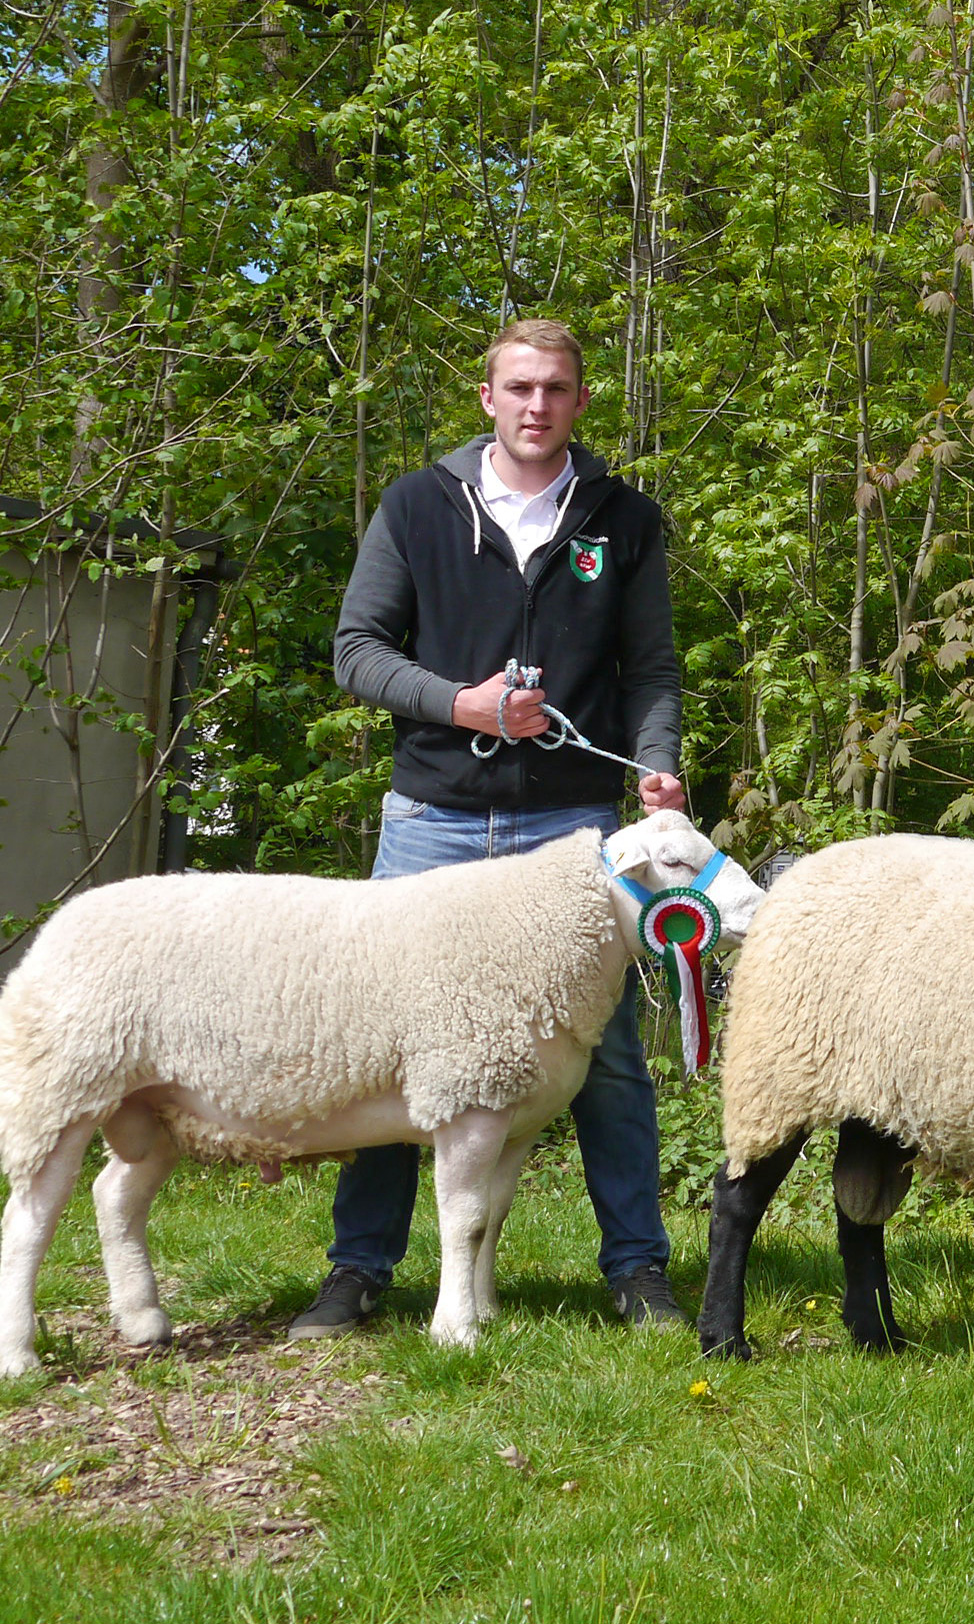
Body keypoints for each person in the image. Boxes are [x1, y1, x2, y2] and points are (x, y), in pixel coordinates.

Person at [301, 318, 690, 1339]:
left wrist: (657, 765)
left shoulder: (625, 519)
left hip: (566, 834)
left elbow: (649, 670)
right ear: (486, 398)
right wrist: (456, 705)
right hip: (429, 819)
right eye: (518, 387)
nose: (535, 406)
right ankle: (359, 1270)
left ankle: (638, 1272)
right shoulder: (416, 506)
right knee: (390, 1049)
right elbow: (355, 651)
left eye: (555, 389)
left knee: (604, 1051)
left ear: (580, 403)